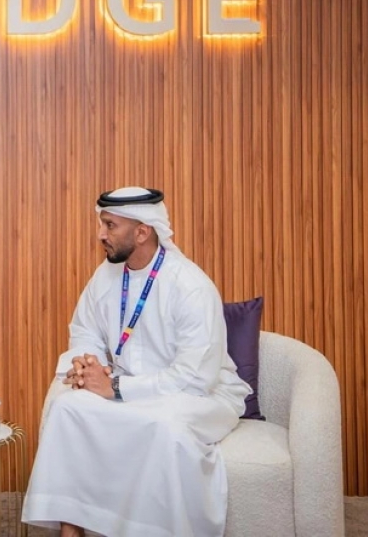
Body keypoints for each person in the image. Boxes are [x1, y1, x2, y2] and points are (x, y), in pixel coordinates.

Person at [22, 186, 251, 537]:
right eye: (102, 224)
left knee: (164, 425)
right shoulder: (108, 274)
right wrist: (88, 364)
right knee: (68, 408)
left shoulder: (190, 286)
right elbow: (85, 329)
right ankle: (72, 529)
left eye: (110, 226)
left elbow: (194, 378)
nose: (101, 234)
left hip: (199, 395)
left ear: (142, 232)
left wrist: (114, 387)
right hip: (125, 384)